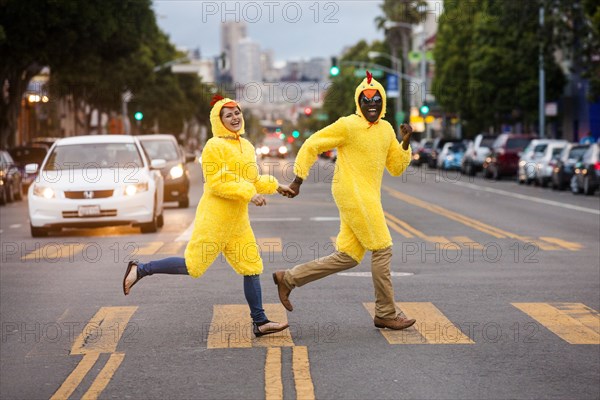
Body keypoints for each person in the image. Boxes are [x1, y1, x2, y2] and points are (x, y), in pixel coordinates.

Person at [123, 95, 295, 337]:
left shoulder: (246, 146)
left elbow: (253, 179)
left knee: (251, 266)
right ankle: (141, 269)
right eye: (228, 115)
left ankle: (260, 321)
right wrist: (249, 194)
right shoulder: (213, 146)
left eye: (237, 113)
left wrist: (277, 186)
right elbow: (217, 182)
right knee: (194, 266)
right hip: (215, 218)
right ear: (219, 120)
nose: (235, 118)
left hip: (237, 221)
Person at [273, 71, 417, 330]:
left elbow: (395, 167)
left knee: (349, 256)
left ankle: (289, 278)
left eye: (376, 101)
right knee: (382, 247)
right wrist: (297, 180)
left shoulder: (385, 130)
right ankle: (386, 312)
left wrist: (405, 144)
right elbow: (311, 144)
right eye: (366, 100)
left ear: (383, 103)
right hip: (352, 192)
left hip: (368, 195)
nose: (371, 105)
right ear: (358, 102)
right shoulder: (348, 125)